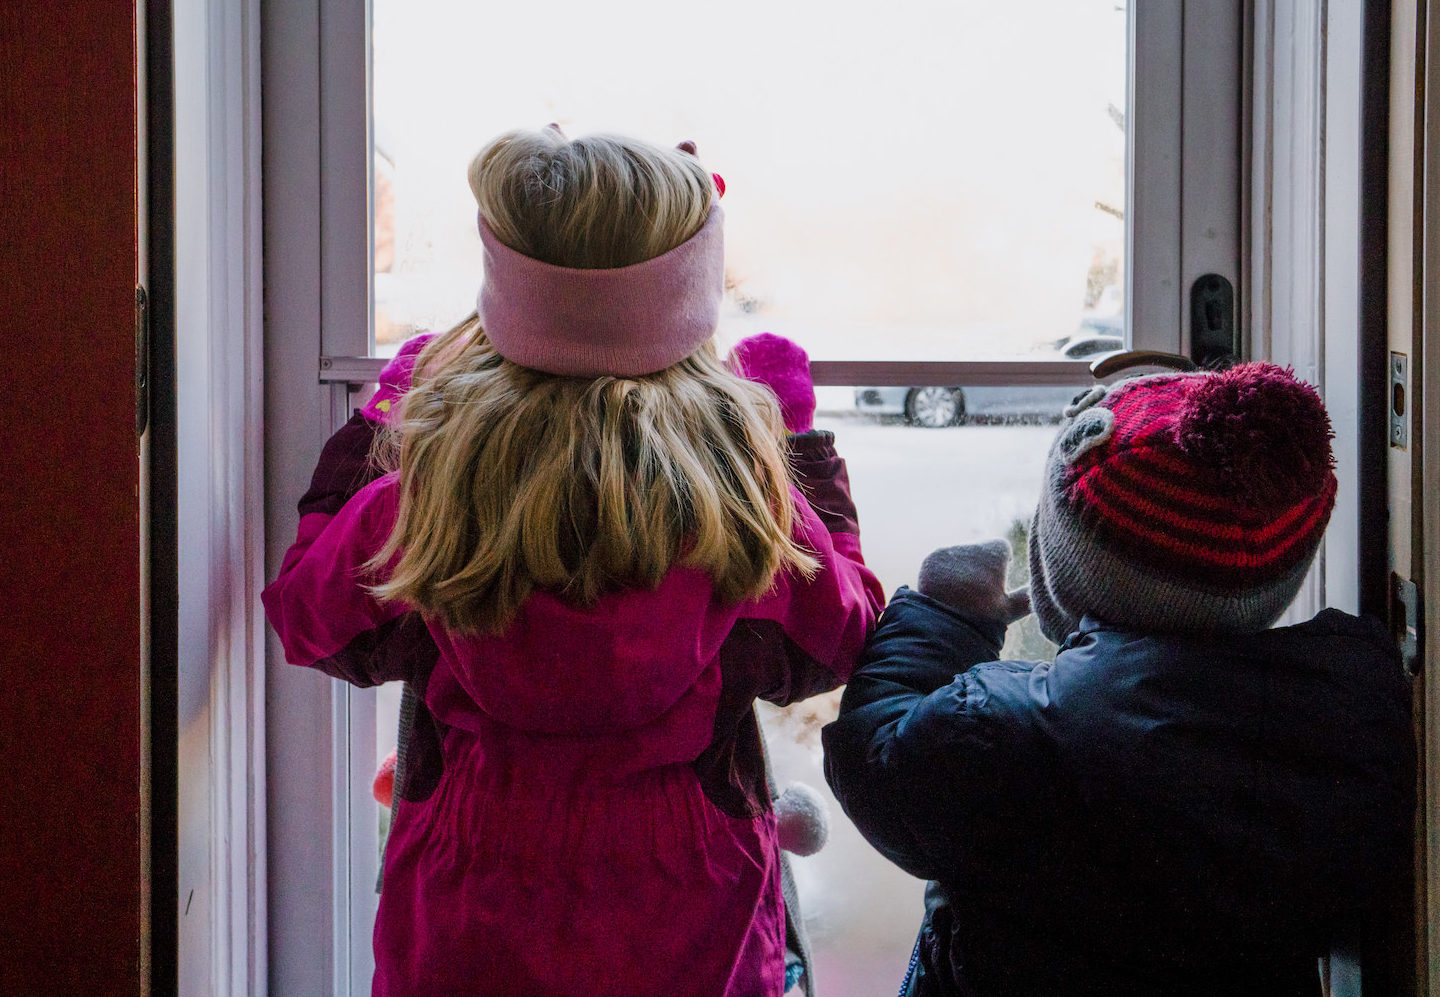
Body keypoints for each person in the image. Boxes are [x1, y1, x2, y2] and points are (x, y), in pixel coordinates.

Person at [263, 126, 884, 997]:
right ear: (691, 306)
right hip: (691, 905)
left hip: (467, 903)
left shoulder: (430, 499)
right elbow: (839, 640)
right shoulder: (741, 499)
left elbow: (307, 616)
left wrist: (377, 433)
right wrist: (797, 451)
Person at [822, 363, 1415, 996]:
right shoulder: (1352, 719)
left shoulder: (1012, 728)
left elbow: (874, 758)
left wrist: (943, 613)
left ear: (1068, 572)